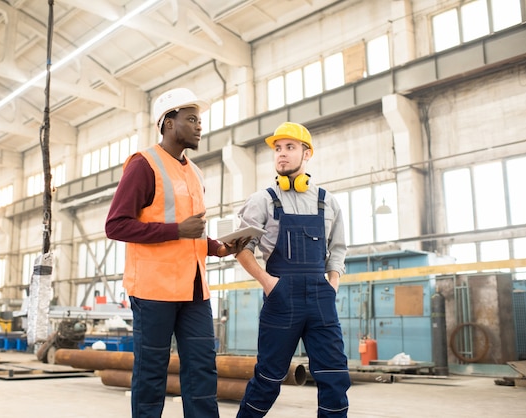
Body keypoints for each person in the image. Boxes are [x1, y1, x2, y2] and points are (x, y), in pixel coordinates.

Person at [105, 87, 248, 418]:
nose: (200, 126)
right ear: (168, 123)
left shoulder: (194, 172)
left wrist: (219, 247)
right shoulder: (144, 165)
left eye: (200, 120)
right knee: (152, 373)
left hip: (194, 288)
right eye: (192, 119)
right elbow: (116, 225)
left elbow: (191, 230)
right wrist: (176, 231)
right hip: (154, 290)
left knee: (202, 370)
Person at [234, 122, 350, 417]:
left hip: (321, 301)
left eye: (290, 148)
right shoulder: (262, 201)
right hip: (281, 299)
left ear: (306, 154)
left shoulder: (328, 202)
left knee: (335, 377)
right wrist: (268, 283)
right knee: (268, 379)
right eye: (277, 149)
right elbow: (241, 249)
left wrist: (332, 283)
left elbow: (337, 250)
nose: (281, 155)